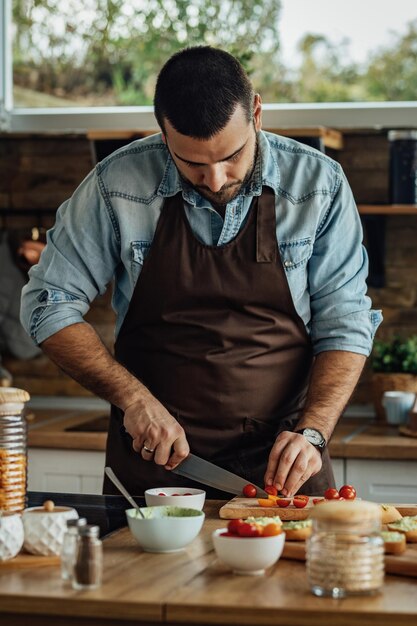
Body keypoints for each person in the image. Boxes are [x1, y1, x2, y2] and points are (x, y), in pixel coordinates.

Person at [20, 46, 382, 498]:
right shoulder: (116, 186)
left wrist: (313, 432)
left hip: (286, 466)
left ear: (257, 114)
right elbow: (47, 304)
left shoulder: (318, 186)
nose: (214, 179)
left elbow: (345, 324)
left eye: (232, 155)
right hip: (154, 463)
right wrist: (134, 400)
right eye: (191, 162)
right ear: (163, 131)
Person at [0, 231, 44, 386]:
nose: (34, 256)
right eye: (37, 250)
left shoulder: (16, 266)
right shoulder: (7, 270)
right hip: (20, 340)